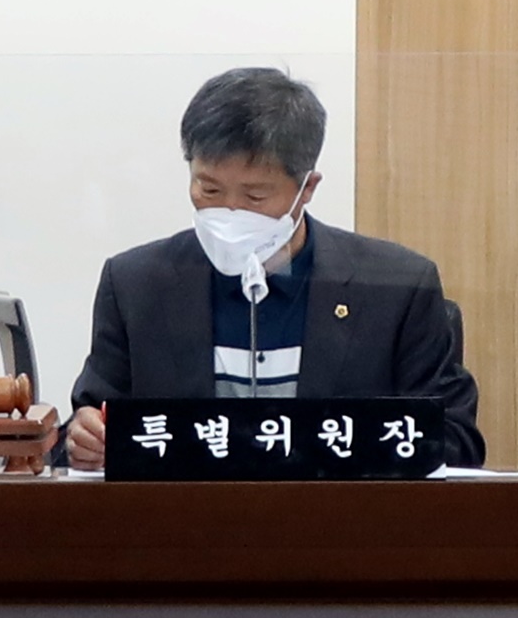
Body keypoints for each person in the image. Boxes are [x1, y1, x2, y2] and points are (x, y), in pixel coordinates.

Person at [64, 67, 482, 470]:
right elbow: (86, 427)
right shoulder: (136, 285)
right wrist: (85, 439)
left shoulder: (397, 288)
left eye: (255, 196)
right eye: (209, 188)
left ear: (307, 188)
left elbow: (456, 442)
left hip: (335, 515)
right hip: (183, 517)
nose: (229, 210)